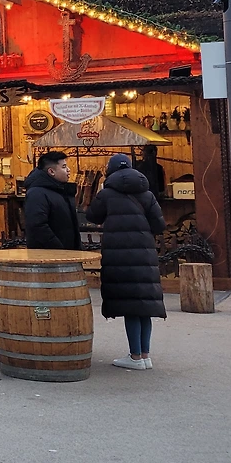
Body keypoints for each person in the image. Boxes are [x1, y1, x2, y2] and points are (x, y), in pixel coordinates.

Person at [87, 154, 167, 370]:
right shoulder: (147, 194)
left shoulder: (107, 193)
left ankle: (134, 357)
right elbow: (159, 225)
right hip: (144, 255)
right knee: (143, 307)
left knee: (131, 307)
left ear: (110, 170)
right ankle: (145, 356)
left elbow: (92, 216)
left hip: (119, 256)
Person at [23, 150, 81, 250]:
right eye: (63, 167)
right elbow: (37, 226)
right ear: (51, 171)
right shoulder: (36, 193)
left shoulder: (61, 191)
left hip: (67, 254)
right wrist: (58, 249)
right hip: (48, 255)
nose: (68, 170)